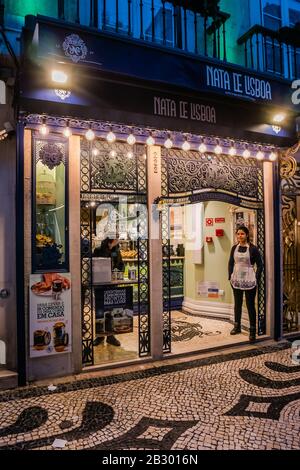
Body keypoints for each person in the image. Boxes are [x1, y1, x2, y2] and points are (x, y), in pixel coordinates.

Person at [228, 226, 263, 342]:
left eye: (242, 234)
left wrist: (256, 278)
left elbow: (260, 265)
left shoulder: (253, 249)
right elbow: (231, 263)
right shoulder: (234, 248)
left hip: (249, 279)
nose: (240, 236)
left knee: (250, 305)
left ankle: (252, 330)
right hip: (236, 279)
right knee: (237, 304)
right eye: (238, 234)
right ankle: (237, 326)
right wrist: (230, 276)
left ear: (247, 235)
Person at [93, 238, 125, 347]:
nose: (117, 240)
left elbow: (121, 264)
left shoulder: (117, 251)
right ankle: (100, 336)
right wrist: (109, 248)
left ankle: (110, 336)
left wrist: (118, 273)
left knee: (111, 311)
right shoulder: (98, 250)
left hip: (112, 284)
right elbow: (98, 262)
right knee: (100, 311)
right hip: (100, 284)